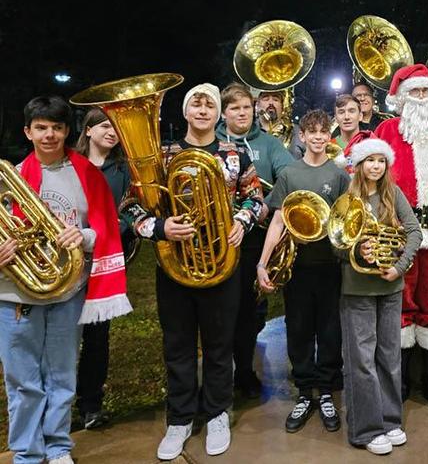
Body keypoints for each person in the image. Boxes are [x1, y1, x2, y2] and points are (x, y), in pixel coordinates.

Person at [122, 83, 265, 459]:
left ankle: (217, 411)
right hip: (176, 265)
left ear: (218, 114)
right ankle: (180, 417)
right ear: (186, 112)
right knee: (178, 345)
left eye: (210, 105)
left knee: (220, 343)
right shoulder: (164, 156)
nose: (203, 110)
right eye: (196, 104)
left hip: (222, 263)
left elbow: (255, 198)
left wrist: (242, 220)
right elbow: (132, 204)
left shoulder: (234, 153)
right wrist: (160, 228)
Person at [0, 96, 131, 464]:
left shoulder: (87, 174)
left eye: (56, 127)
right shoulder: (8, 179)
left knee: (61, 375)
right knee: (23, 382)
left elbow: (102, 228)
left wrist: (83, 237)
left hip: (68, 291)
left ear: (67, 131)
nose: (49, 135)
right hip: (15, 294)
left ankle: (58, 448)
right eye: (41, 127)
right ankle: (27, 452)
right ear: (28, 131)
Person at [374, 64, 428, 413]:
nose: (422, 98)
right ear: (401, 98)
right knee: (400, 305)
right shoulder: (386, 130)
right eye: (415, 92)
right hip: (400, 237)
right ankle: (401, 380)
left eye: (426, 92)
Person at [257, 109, 350, 433]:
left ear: (329, 136)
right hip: (297, 267)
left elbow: (346, 221)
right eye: (312, 131)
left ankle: (325, 391)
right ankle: (304, 392)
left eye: (323, 131)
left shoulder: (338, 175)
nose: (318, 137)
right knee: (297, 330)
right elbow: (279, 220)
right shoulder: (290, 174)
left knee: (329, 330)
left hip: (329, 266)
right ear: (302, 136)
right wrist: (262, 261)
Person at [336, 138, 422, 455]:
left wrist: (399, 266)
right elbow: (335, 244)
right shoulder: (347, 198)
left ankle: (390, 420)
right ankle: (365, 429)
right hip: (357, 288)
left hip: (389, 286)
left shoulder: (392, 194)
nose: (375, 166)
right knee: (361, 360)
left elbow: (414, 231)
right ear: (358, 165)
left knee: (388, 356)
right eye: (369, 160)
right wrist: (357, 248)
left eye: (381, 160)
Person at [216, 83, 293, 399]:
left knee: (249, 308)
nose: (242, 113)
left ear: (255, 109)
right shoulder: (215, 141)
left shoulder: (269, 143)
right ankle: (219, 373)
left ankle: (244, 371)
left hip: (253, 238)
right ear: (225, 112)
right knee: (220, 309)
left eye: (247, 107)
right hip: (217, 239)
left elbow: (289, 177)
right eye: (235, 108)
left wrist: (264, 206)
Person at [73, 108, 132, 429]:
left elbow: (128, 213)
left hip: (103, 263)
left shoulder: (123, 170)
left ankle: (90, 405)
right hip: (67, 262)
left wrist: (102, 235)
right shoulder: (71, 165)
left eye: (116, 128)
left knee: (97, 339)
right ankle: (57, 404)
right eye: (106, 126)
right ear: (89, 130)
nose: (113, 132)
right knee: (64, 338)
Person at [254, 89, 304, 158]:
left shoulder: (298, 132)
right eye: (266, 99)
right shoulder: (248, 131)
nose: (271, 102)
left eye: (275, 99)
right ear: (257, 105)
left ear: (282, 106)